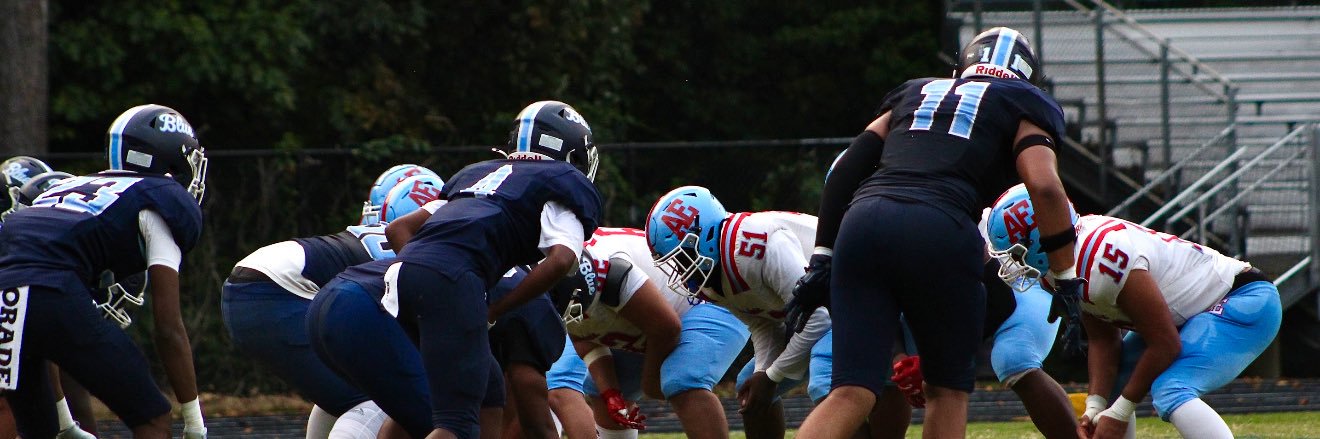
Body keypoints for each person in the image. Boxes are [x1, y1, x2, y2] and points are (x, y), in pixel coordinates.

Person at [785, 26, 1080, 439]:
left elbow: (846, 170)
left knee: (850, 391)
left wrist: (822, 257)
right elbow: (1045, 186)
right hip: (941, 226)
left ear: (963, 66)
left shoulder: (916, 91)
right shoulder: (1024, 103)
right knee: (946, 392)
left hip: (863, 221)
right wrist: (1065, 276)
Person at [985, 184, 1282, 439]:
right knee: (1116, 386)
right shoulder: (1062, 267)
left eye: (1015, 252)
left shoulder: (1100, 259)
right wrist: (1096, 407)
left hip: (1242, 300)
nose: (1012, 264)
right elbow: (1104, 340)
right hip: (1190, 314)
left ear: (1039, 239)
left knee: (1171, 389)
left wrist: (1120, 413)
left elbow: (1165, 344)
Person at [383, 100, 601, 439]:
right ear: (570, 152)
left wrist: (425, 268)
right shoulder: (561, 182)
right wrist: (494, 308)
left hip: (398, 277)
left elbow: (397, 228)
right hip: (453, 280)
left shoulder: (478, 173)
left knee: (456, 396)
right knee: (459, 421)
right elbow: (560, 260)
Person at [0, 104, 210, 438]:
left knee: (40, 430)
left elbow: (32, 307)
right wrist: (195, 422)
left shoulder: (59, 188)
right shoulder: (157, 200)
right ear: (171, 160)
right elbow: (168, 327)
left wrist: (66, 424)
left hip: (6, 296)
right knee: (154, 418)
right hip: (51, 292)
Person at [222, 171, 442, 439]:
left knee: (346, 390)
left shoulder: (383, 237)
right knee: (378, 394)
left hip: (248, 287)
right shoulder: (418, 253)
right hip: (278, 292)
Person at [645, 186, 826, 439]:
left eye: (683, 257)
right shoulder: (713, 276)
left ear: (705, 235)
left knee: (826, 381)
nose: (682, 271)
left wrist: (772, 376)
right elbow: (764, 324)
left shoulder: (754, 245)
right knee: (750, 387)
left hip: (850, 297)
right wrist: (763, 372)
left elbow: (819, 318)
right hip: (820, 312)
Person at [550, 227, 749, 439]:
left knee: (682, 379)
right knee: (602, 391)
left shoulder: (615, 272)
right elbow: (584, 338)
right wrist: (611, 392)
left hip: (708, 297)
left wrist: (651, 382)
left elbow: (667, 329)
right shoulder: (552, 285)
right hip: (651, 321)